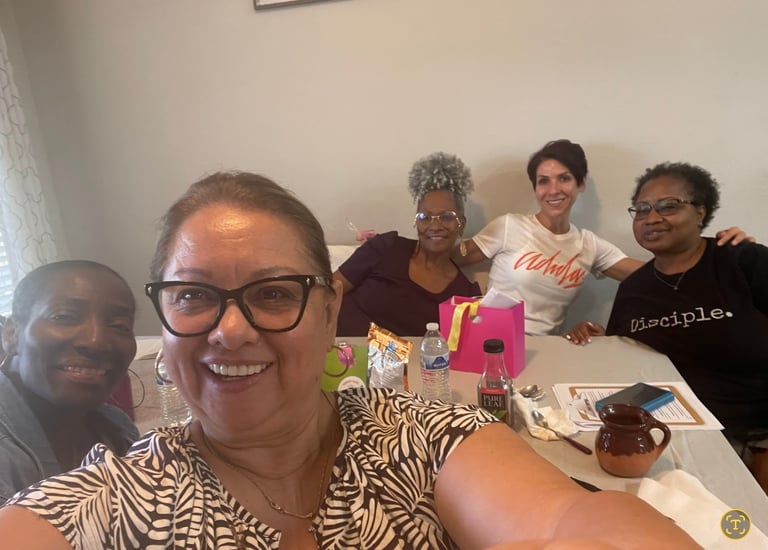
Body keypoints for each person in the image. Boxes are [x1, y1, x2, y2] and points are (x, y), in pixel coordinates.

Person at [0, 171, 698, 549]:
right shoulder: (112, 498)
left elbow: (560, 524)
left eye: (274, 293)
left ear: (328, 312)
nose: (231, 331)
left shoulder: (427, 438)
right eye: (194, 296)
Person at [455, 139, 750, 337]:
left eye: (564, 178)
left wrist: (718, 252)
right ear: (535, 188)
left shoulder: (589, 245)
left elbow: (661, 275)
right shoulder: (509, 226)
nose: (553, 189)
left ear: (580, 184)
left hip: (547, 351)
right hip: (490, 341)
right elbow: (452, 259)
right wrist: (438, 227)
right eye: (543, 181)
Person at [603, 162, 768, 439]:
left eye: (669, 206)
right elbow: (624, 358)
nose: (651, 218)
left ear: (700, 212)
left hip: (752, 433)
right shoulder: (633, 288)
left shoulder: (743, 260)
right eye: (642, 209)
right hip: (664, 431)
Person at [0, 260, 139, 503]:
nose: (95, 341)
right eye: (63, 317)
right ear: (12, 334)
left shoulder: (118, 429)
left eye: (119, 326)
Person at [335, 152, 480, 336]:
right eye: (425, 217)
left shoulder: (463, 294)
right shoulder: (386, 248)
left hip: (402, 356)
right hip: (339, 346)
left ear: (462, 225)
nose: (435, 226)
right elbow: (330, 291)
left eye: (446, 217)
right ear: (416, 222)